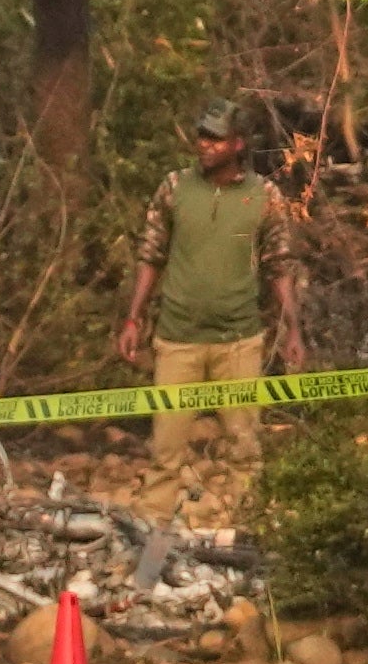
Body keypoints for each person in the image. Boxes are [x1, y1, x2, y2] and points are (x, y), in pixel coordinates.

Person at [115, 99, 307, 514]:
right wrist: (134, 318)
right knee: (165, 450)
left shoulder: (264, 196)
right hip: (178, 337)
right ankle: (153, 526)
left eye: (215, 139)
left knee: (244, 449)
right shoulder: (175, 187)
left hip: (238, 340)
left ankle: (247, 524)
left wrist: (292, 329)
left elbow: (280, 264)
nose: (204, 144)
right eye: (202, 136)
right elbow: (150, 254)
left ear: (237, 144)